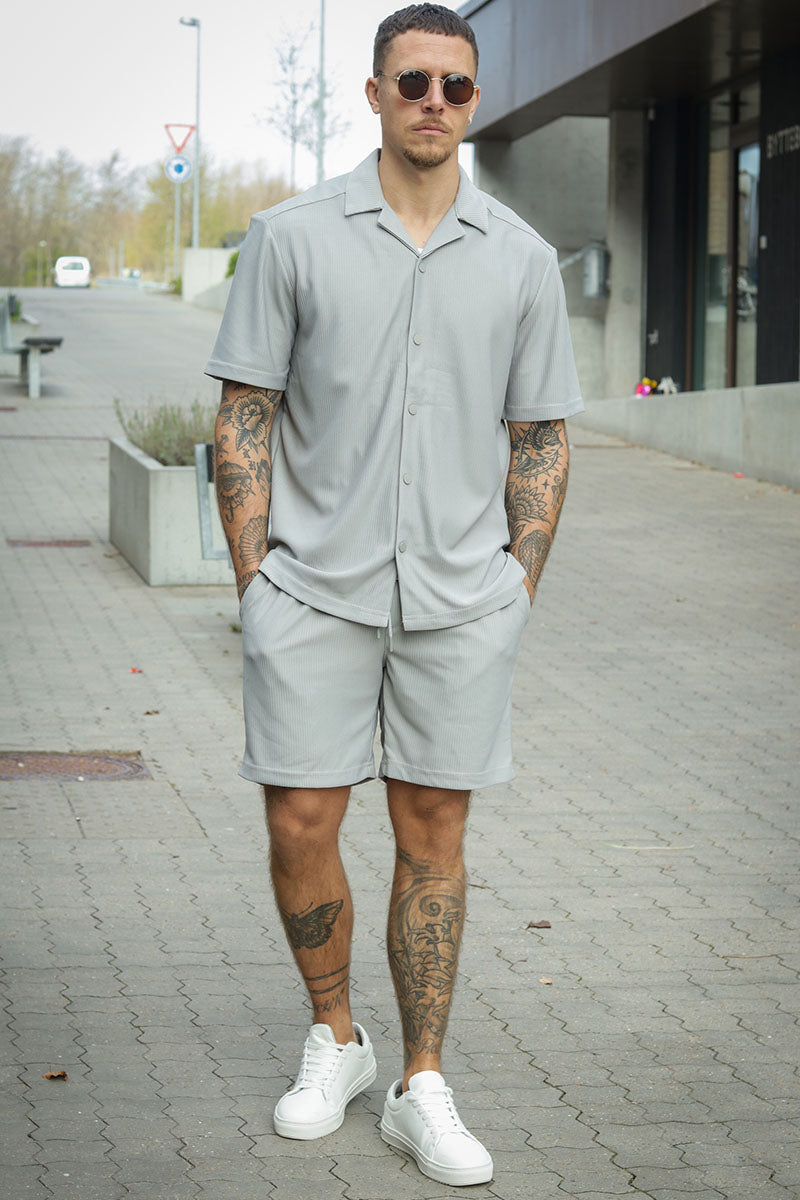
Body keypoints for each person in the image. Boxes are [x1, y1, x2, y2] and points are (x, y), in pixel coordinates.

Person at [205, 2, 582, 1186]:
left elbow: (541, 432)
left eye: (453, 86)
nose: (432, 102)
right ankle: (336, 1038)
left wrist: (517, 585)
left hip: (462, 600)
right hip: (311, 589)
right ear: (372, 94)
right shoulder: (290, 238)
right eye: (411, 81)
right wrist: (254, 582)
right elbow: (243, 413)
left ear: (474, 101)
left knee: (433, 836)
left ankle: (422, 1082)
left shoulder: (520, 258)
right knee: (299, 821)